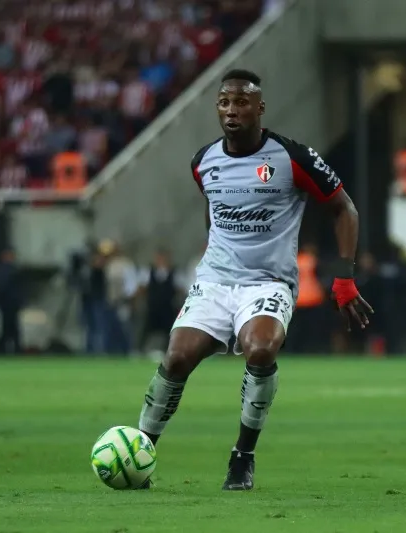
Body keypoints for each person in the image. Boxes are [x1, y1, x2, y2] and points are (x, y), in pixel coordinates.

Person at [136, 69, 372, 491]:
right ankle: (140, 451)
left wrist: (344, 277)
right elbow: (213, 212)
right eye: (224, 102)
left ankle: (242, 457)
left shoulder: (292, 157)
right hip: (215, 280)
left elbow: (345, 209)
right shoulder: (203, 161)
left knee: (260, 350)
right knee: (176, 358)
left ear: (260, 107)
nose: (231, 110)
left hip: (269, 282)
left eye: (242, 102)